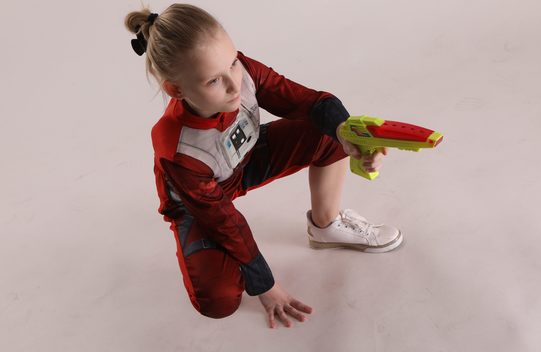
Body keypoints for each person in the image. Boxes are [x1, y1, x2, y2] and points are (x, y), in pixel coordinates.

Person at [124, 4, 403, 329]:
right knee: (219, 301)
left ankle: (325, 225)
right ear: (176, 89)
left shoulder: (242, 72)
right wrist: (264, 283)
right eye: (214, 80)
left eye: (232, 63)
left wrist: (349, 137)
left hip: (246, 161)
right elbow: (223, 220)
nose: (233, 84)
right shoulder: (178, 147)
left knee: (329, 129)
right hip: (199, 206)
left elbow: (309, 102)